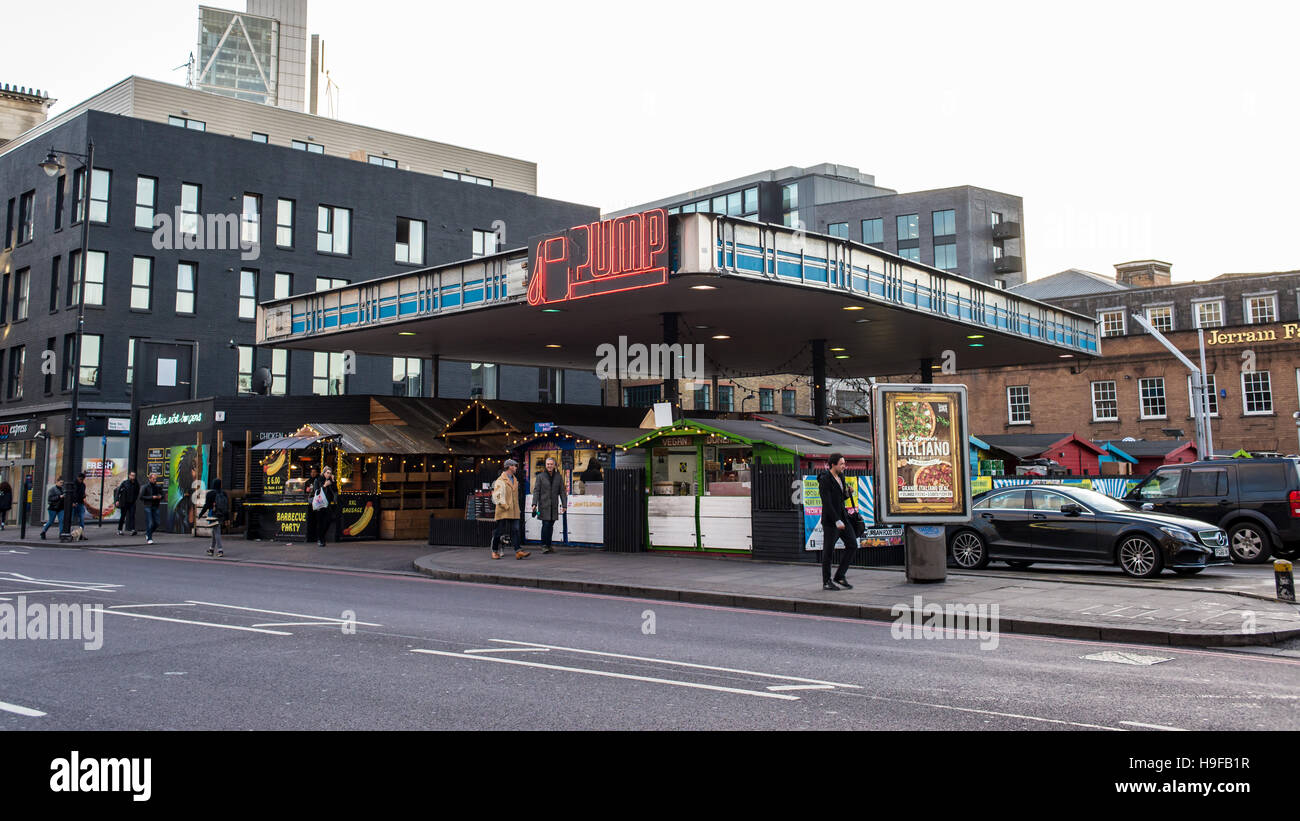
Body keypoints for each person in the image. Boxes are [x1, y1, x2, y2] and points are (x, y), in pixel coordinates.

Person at [817, 453, 861, 590]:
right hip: (831, 521)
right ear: (833, 465)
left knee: (853, 545)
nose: (844, 466)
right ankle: (826, 581)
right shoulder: (825, 479)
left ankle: (840, 576)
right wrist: (836, 520)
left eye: (844, 463)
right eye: (841, 464)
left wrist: (848, 494)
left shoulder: (841, 477)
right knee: (828, 551)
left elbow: (840, 499)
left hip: (844, 518)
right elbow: (827, 502)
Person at [491, 459, 529, 560]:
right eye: (514, 466)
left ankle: (518, 551)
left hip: (514, 510)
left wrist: (517, 508)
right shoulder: (500, 480)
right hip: (504, 510)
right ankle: (494, 551)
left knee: (515, 530)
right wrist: (505, 506)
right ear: (510, 467)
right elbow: (497, 496)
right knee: (499, 531)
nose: (516, 468)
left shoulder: (515, 480)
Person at [531, 456, 567, 554]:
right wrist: (534, 503)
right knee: (545, 525)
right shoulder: (540, 477)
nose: (549, 466)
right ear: (545, 465)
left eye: (551, 464)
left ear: (554, 465)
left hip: (554, 505)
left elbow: (562, 492)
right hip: (544, 505)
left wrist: (564, 505)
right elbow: (536, 491)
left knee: (551, 525)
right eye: (548, 464)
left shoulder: (558, 477)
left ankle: (549, 545)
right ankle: (544, 545)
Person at [197, 478, 229, 557]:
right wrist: (227, 518)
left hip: (213, 514)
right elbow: (227, 506)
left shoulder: (210, 493)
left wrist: (201, 514)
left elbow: (206, 506)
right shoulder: (224, 493)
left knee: (217, 532)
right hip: (221, 515)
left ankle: (220, 550)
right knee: (215, 532)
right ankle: (211, 549)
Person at [310, 466, 337, 547]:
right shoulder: (318, 480)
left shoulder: (330, 481)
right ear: (324, 473)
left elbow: (335, 490)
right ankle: (320, 539)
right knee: (320, 522)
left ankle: (322, 536)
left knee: (328, 520)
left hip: (327, 504)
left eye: (330, 473)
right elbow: (316, 491)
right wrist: (324, 486)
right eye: (327, 473)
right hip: (320, 504)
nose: (328, 475)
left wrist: (333, 481)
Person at [139, 472, 164, 544]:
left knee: (157, 523)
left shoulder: (158, 487)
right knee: (150, 523)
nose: (154, 480)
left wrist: (160, 497)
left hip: (156, 506)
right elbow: (141, 497)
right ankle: (149, 538)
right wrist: (151, 497)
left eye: (155, 479)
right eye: (153, 479)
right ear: (149, 479)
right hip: (148, 506)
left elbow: (162, 495)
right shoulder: (145, 487)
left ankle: (148, 533)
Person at [115, 471, 140, 536]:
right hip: (124, 502)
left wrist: (134, 499)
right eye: (132, 475)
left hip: (132, 502)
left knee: (132, 516)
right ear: (129, 476)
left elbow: (137, 492)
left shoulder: (136, 484)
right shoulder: (125, 483)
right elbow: (118, 492)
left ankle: (133, 529)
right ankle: (119, 530)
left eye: (134, 475)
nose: (133, 477)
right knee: (123, 516)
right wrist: (117, 500)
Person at [72, 472, 88, 540]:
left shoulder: (83, 485)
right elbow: (73, 494)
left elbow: (82, 493)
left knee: (81, 519)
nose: (81, 481)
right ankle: (72, 534)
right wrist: (73, 502)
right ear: (78, 478)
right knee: (71, 519)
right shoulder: (73, 484)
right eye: (80, 479)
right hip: (74, 503)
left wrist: (84, 495)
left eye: (82, 479)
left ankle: (80, 533)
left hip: (80, 503)